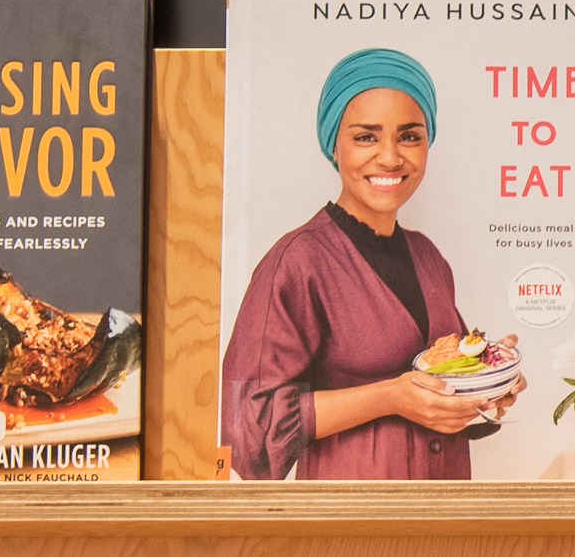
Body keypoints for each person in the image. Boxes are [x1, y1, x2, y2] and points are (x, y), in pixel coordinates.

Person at [219, 50, 523, 480]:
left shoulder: (429, 258)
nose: (390, 157)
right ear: (334, 145)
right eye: (366, 137)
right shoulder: (297, 263)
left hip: (446, 521)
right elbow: (248, 426)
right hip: (346, 529)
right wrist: (389, 398)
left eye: (410, 136)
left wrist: (488, 387)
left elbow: (437, 389)